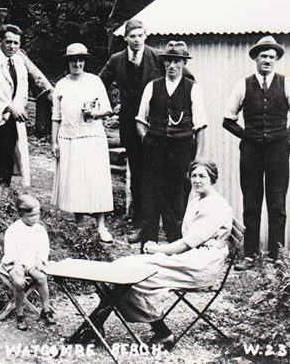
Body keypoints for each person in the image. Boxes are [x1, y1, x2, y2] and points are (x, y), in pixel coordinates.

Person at [71, 160, 233, 347]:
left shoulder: (215, 206)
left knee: (133, 274)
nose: (197, 180)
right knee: (123, 269)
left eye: (202, 176)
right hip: (192, 258)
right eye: (194, 176)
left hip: (201, 266)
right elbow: (188, 243)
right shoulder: (198, 199)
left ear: (212, 179)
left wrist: (159, 250)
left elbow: (186, 244)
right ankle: (96, 328)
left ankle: (158, 332)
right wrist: (161, 251)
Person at [222, 35, 290, 270]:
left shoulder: (286, 84)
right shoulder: (243, 85)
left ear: (276, 60)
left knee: (277, 204)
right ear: (256, 59)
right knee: (251, 203)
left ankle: (276, 256)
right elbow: (227, 119)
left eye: (272, 56)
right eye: (263, 56)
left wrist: (285, 140)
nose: (267, 60)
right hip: (251, 152)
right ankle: (249, 255)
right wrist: (248, 137)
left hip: (278, 151)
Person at [100, 19, 167, 243]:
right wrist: (106, 108)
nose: (137, 40)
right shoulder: (117, 60)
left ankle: (159, 222)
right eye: (133, 36)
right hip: (130, 126)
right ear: (126, 38)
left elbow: (185, 78)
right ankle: (139, 221)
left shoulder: (158, 57)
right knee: (137, 173)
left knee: (156, 172)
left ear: (145, 35)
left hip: (155, 125)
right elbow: (100, 84)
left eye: (140, 35)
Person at [136, 41, 207, 244]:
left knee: (177, 205)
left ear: (184, 63)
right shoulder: (152, 86)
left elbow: (200, 127)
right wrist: (148, 140)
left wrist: (198, 159)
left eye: (177, 61)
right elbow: (140, 121)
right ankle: (148, 250)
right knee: (150, 202)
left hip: (181, 153)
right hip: (155, 153)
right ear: (164, 63)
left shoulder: (193, 89)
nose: (172, 65)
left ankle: (175, 251)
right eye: (169, 61)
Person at [51, 43, 115, 242]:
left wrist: (94, 113)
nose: (77, 64)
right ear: (68, 62)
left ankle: (101, 226)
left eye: (81, 60)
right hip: (69, 138)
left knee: (96, 179)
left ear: (85, 61)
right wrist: (54, 142)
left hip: (92, 136)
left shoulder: (94, 81)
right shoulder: (61, 85)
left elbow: (108, 109)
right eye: (73, 60)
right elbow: (56, 117)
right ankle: (80, 224)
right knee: (76, 181)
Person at [0, 24, 51, 186]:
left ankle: (5, 187)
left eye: (16, 43)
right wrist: (7, 108)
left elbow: (23, 92)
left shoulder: (19, 61)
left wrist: (16, 109)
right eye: (8, 42)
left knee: (8, 153)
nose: (12, 46)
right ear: (0, 41)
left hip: (13, 114)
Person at [1, 194, 55, 331]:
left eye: (38, 214)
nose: (35, 218)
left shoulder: (39, 230)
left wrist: (40, 261)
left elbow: (44, 249)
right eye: (31, 216)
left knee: (41, 277)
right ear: (21, 215)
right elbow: (10, 251)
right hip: (15, 261)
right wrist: (17, 264)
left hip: (32, 261)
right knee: (19, 282)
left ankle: (46, 309)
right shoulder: (13, 230)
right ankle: (20, 314)